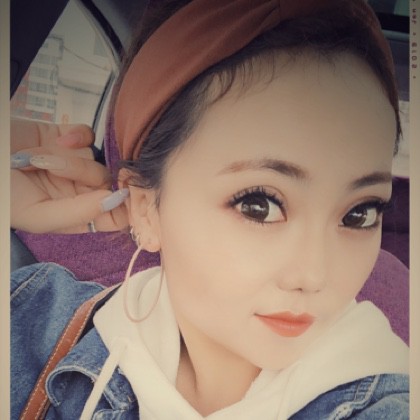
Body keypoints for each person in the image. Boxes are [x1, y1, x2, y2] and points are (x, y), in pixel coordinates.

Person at [11, 0, 409, 418]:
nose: (313, 277)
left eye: (359, 214)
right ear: (146, 208)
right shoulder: (34, 319)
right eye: (259, 205)